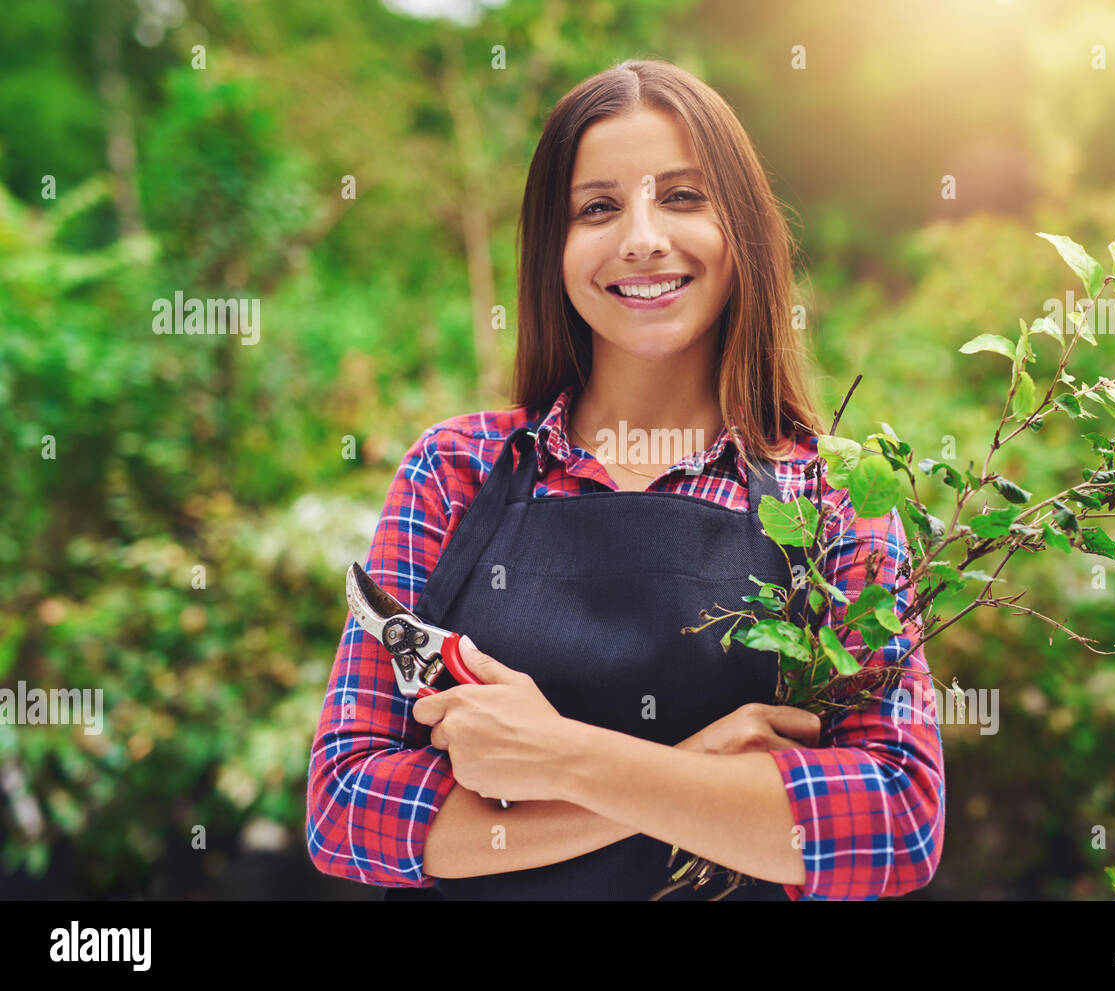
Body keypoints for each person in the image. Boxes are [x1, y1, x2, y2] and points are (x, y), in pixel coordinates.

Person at [306, 58, 944, 901]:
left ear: (741, 231)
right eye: (598, 207)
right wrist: (692, 775)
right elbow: (345, 810)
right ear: (555, 249)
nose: (641, 236)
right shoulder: (454, 470)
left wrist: (563, 758)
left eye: (682, 196)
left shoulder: (831, 497)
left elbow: (897, 821)